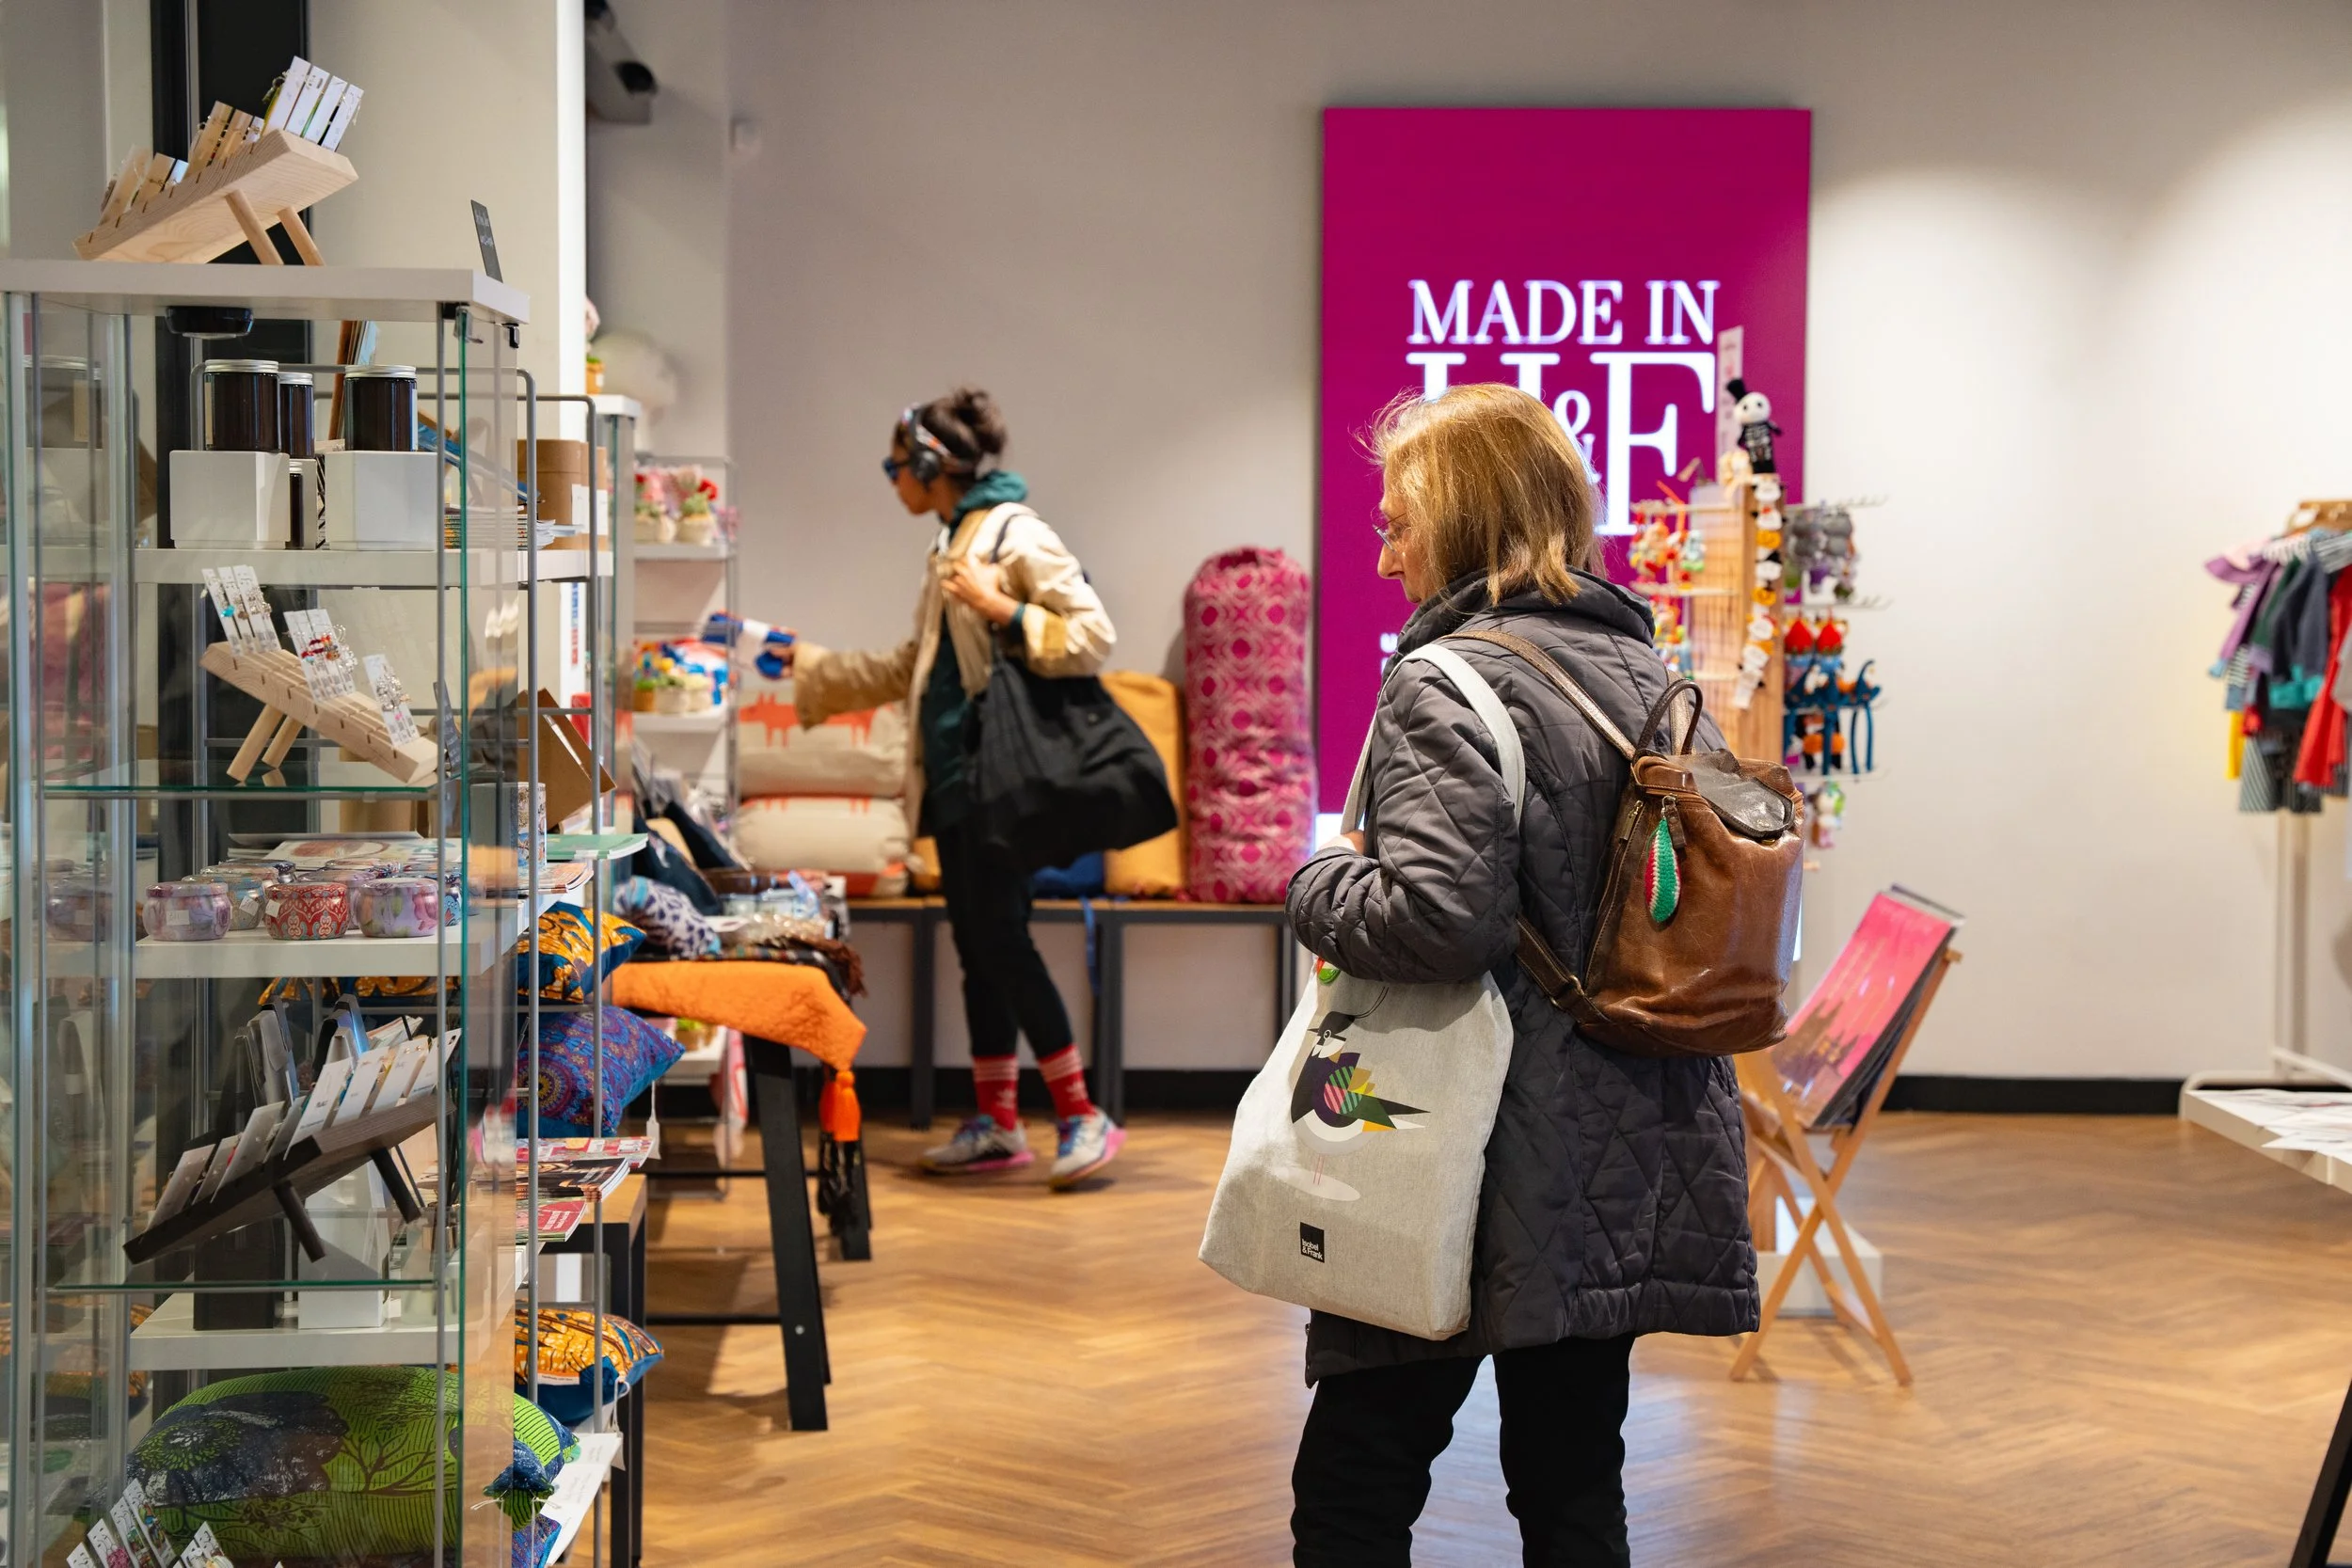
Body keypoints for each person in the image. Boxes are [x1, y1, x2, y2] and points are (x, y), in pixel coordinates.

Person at [1284, 385, 1758, 1566]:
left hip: (1464, 1137)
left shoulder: (1440, 679)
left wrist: (1312, 884)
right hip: (1627, 1134)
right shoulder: (1649, 673)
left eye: (1399, 523)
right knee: (1573, 1485)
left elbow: (1441, 921)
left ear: (1462, 520)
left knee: (1355, 1479)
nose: (1385, 555)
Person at [785, 388, 1125, 1189]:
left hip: (995, 780)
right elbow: (921, 665)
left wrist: (1005, 607)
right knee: (979, 946)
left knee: (1000, 941)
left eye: (894, 465)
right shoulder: (956, 538)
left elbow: (1091, 633)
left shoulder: (1010, 534)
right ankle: (998, 1122)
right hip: (958, 784)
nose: (892, 479)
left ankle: (1080, 1114)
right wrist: (808, 671)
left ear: (932, 464)